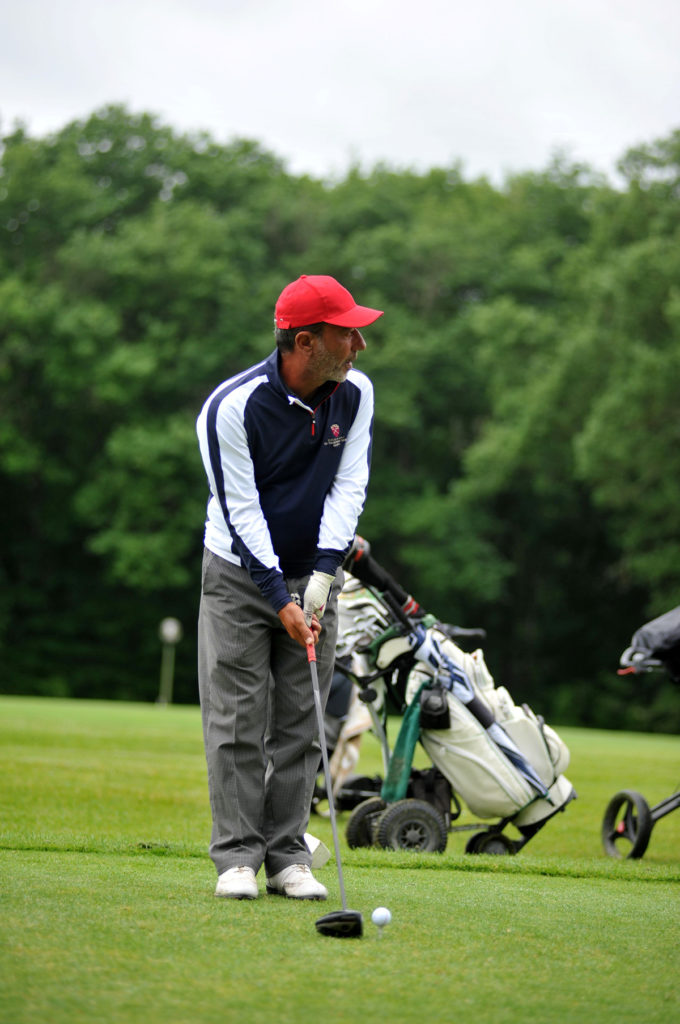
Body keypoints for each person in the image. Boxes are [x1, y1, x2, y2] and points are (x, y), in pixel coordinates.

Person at [196, 274, 384, 900]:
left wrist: (323, 576)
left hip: (315, 573)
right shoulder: (231, 407)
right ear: (306, 342)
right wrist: (279, 598)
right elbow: (240, 510)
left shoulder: (356, 392)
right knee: (237, 720)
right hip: (238, 576)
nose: (359, 344)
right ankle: (237, 858)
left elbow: (348, 486)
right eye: (347, 333)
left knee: (304, 720)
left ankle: (287, 858)